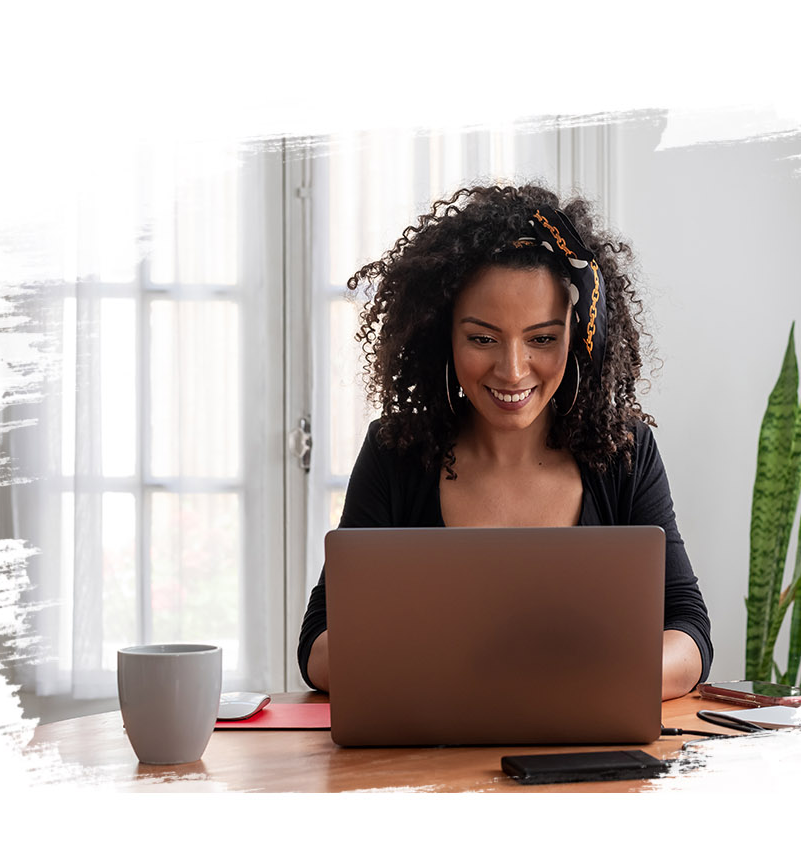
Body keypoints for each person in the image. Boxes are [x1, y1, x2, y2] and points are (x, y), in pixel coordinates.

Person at [297, 183, 712, 701]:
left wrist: (572, 681)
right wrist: (482, 676)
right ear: (441, 336)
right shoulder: (394, 452)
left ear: (582, 336)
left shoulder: (625, 452)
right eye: (482, 338)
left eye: (542, 339)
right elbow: (320, 646)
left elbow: (689, 632)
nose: (512, 371)